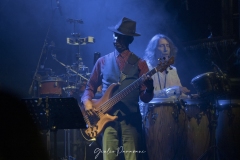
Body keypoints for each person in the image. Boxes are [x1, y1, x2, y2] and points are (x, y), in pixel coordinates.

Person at [81, 17, 154, 160]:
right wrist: (88, 103)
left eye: (121, 37)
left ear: (129, 40)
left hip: (131, 121)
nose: (116, 39)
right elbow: (89, 88)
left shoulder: (140, 63)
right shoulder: (102, 61)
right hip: (105, 121)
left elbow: (145, 98)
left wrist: (150, 89)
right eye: (115, 35)